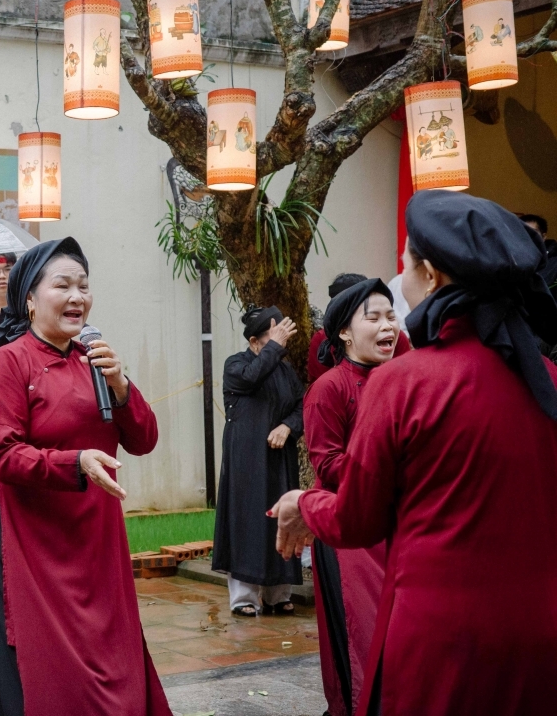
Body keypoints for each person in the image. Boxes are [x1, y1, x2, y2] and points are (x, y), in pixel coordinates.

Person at [272, 190, 557, 716]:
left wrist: (302, 503)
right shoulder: (546, 380)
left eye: (404, 261)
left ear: (428, 274)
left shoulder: (404, 383)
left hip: (442, 640)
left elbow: (357, 518)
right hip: (540, 631)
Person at [0, 237, 173, 716]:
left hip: (94, 528)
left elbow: (143, 439)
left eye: (84, 285)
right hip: (29, 530)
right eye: (63, 285)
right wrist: (72, 461)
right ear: (30, 299)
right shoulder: (8, 364)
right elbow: (1, 454)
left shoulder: (95, 358)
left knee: (109, 647)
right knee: (46, 660)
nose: (77, 296)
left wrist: (121, 385)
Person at [305, 278, 400, 716]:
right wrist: (387, 476)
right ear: (344, 332)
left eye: (391, 315)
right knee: (359, 640)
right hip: (348, 534)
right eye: (374, 317)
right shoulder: (330, 388)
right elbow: (326, 464)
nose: (389, 326)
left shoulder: (402, 380)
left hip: (398, 526)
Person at [212, 306, 304, 617]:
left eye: (283, 339)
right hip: (246, 461)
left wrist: (289, 426)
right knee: (247, 521)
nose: (280, 345)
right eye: (272, 338)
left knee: (282, 518)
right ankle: (244, 598)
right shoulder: (236, 364)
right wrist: (275, 347)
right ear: (254, 342)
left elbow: (302, 405)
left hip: (279, 459)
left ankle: (278, 595)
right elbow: (252, 378)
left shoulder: (285, 371)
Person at [307, 273, 410, 384]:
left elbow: (406, 379)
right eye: (373, 318)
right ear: (344, 330)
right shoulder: (329, 385)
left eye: (390, 317)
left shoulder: (395, 336)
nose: (386, 326)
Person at [520, 213, 557, 289]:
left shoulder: (554, 261)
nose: (527, 236)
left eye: (533, 232)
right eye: (522, 232)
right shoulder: (509, 259)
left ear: (543, 237)